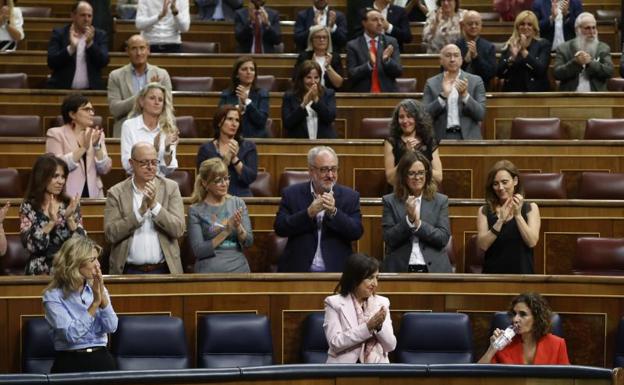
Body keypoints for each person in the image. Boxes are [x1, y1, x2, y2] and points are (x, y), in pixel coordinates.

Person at [274, 146, 363, 272]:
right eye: (324, 170)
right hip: (297, 271)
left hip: (336, 272)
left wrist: (334, 212)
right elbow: (280, 228)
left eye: (334, 169)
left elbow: (356, 232)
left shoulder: (350, 197)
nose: (330, 175)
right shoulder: (291, 194)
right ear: (311, 171)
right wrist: (308, 213)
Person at [104, 142, 185, 274]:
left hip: (164, 270)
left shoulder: (171, 188)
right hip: (128, 271)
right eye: (144, 163)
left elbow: (178, 229)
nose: (150, 167)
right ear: (131, 163)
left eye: (154, 162)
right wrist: (140, 212)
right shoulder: (116, 193)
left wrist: (154, 206)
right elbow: (110, 234)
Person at [43, 235, 118, 373]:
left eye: (97, 259)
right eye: (92, 260)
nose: (98, 265)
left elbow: (112, 327)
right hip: (70, 360)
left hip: (101, 356)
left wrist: (103, 298)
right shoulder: (53, 296)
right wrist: (95, 303)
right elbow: (71, 335)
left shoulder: (96, 288)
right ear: (75, 263)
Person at [381, 151, 451, 273]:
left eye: (421, 173)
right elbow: (389, 238)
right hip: (400, 269)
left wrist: (418, 224)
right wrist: (408, 221)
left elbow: (443, 238)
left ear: (427, 174)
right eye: (411, 173)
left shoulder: (440, 201)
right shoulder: (390, 201)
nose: (417, 177)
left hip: (435, 269)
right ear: (403, 175)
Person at [324, 253, 396, 363]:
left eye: (377, 278)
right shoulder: (334, 303)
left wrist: (379, 328)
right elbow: (335, 343)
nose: (375, 284)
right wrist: (367, 327)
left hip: (377, 368)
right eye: (370, 278)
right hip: (343, 370)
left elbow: (391, 345)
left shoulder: (382, 303)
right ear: (355, 278)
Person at [20, 154, 85, 275]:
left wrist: (69, 219)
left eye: (63, 177)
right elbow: (31, 246)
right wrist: (51, 223)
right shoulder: (29, 206)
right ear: (42, 177)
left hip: (67, 270)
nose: (61, 181)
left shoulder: (69, 204)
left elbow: (82, 247)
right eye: (55, 176)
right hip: (39, 271)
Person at [188, 158, 253, 273]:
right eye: (218, 180)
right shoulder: (195, 210)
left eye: (226, 178)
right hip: (209, 270)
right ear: (205, 183)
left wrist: (238, 227)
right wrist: (227, 230)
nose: (224, 184)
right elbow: (199, 251)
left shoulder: (238, 203)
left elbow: (248, 242)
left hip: (239, 268)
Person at [476, 160, 540, 274]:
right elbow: (483, 245)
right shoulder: (484, 211)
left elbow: (532, 242)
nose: (500, 187)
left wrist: (518, 215)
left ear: (515, 181)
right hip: (493, 277)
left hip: (523, 275)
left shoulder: (531, 208)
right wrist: (500, 221)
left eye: (504, 182)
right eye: (495, 184)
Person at [46, 94, 112, 198]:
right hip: (66, 195)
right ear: (72, 114)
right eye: (86, 109)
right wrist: (83, 149)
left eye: (92, 110)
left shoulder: (96, 134)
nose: (92, 113)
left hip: (94, 195)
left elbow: (104, 169)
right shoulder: (56, 134)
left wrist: (97, 147)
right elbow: (55, 167)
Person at [107, 34, 172, 137]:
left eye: (142, 48)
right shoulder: (115, 76)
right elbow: (115, 109)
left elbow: (168, 107)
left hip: (155, 131)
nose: (138, 53)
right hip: (126, 132)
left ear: (148, 50)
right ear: (127, 51)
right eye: (134, 49)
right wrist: (143, 93)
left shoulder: (162, 74)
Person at [478, 293, 570, 364]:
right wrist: (492, 349)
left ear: (537, 318)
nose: (515, 319)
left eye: (523, 314)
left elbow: (568, 379)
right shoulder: (504, 344)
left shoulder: (557, 345)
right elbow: (477, 377)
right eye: (514, 314)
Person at [422, 43, 486, 140]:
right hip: (441, 139)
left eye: (456, 55)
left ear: (461, 59)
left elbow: (480, 114)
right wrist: (443, 96)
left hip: (469, 139)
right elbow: (424, 116)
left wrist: (465, 96)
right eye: (448, 56)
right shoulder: (431, 83)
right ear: (441, 61)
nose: (452, 59)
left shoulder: (475, 81)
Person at [196, 105, 258, 197]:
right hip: (214, 196)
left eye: (237, 120)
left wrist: (234, 159)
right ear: (219, 122)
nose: (234, 124)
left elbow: (249, 178)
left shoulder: (248, 146)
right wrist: (226, 159)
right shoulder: (206, 149)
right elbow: (204, 177)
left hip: (241, 196)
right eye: (229, 119)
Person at [47, 1, 109, 90]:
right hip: (62, 89)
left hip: (91, 90)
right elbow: (51, 62)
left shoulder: (100, 35)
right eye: (83, 15)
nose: (86, 19)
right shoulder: (60, 33)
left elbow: (103, 62)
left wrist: (90, 44)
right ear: (73, 16)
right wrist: (71, 48)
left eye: (89, 16)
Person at [120, 82, 179, 176]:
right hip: (136, 182)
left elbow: (168, 169)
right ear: (142, 101)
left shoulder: (168, 129)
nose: (157, 102)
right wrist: (154, 149)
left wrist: (167, 150)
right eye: (152, 98)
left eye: (160, 100)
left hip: (161, 183)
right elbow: (127, 165)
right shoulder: (129, 126)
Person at [384, 99, 442, 185]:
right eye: (401, 117)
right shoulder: (392, 142)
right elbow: (390, 179)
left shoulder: (429, 141)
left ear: (417, 118)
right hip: (400, 191)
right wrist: (407, 155)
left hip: (425, 191)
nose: (405, 121)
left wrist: (419, 166)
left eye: (409, 116)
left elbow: (439, 177)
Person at [553, 12, 613, 92]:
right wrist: (576, 62)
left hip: (597, 97)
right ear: (577, 30)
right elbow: (557, 74)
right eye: (587, 28)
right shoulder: (563, 48)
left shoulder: (603, 48)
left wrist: (590, 63)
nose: (592, 32)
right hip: (570, 97)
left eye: (594, 27)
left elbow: (609, 72)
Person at [346, 8, 402, 93]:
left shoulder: (391, 42)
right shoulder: (353, 45)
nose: (380, 23)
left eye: (382, 20)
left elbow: (398, 71)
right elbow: (351, 74)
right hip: (362, 95)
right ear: (364, 23)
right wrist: (369, 65)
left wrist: (387, 60)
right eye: (375, 20)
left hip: (387, 94)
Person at [496, 10, 551, 92]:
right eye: (522, 24)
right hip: (513, 92)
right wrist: (512, 58)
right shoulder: (509, 45)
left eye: (529, 24)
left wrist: (523, 51)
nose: (526, 27)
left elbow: (541, 70)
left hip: (537, 92)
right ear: (517, 27)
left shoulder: (543, 45)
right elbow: (499, 73)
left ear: (534, 28)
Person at [282, 60, 337, 139]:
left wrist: (316, 100)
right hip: (299, 143)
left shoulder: (328, 94)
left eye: (316, 77)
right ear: (301, 79)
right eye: (308, 77)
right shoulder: (289, 96)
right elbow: (287, 124)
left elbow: (330, 118)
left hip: (324, 142)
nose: (313, 82)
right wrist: (303, 105)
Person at [219, 56, 269, 138]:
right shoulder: (226, 94)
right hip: (230, 139)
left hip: (255, 140)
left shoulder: (262, 94)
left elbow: (261, 121)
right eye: (244, 69)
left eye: (252, 69)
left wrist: (247, 102)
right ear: (237, 74)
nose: (248, 72)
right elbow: (220, 119)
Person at [294, 25, 345, 91]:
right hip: (307, 93)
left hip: (329, 96)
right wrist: (311, 66)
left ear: (328, 40)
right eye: (318, 37)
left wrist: (328, 67)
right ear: (311, 40)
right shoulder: (304, 57)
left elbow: (339, 84)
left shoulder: (335, 57)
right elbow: (296, 80)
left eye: (324, 37)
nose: (321, 40)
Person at [456, 10, 497, 89]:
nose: (473, 26)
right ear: (463, 26)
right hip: (457, 89)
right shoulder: (456, 46)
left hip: (481, 90)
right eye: (470, 24)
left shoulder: (489, 47)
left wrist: (475, 57)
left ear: (481, 26)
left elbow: (490, 74)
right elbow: (449, 73)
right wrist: (465, 62)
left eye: (477, 24)